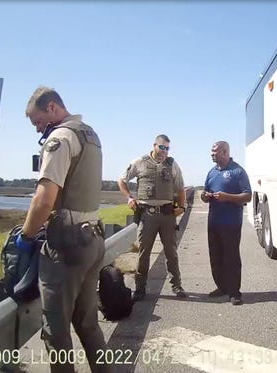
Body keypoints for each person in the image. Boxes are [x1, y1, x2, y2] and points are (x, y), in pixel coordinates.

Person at [16, 86, 113, 373]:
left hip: (67, 245)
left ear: (53, 108)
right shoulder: (89, 134)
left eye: (38, 121)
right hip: (93, 237)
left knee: (56, 331)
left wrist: (27, 235)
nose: (37, 129)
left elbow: (44, 199)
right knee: (88, 324)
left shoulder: (59, 138)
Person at [118, 135, 187, 301]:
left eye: (167, 148)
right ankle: (140, 289)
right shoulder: (140, 162)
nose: (164, 151)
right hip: (146, 215)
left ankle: (176, 285)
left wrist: (182, 207)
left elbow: (180, 188)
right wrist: (129, 197)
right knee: (144, 253)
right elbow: (122, 180)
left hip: (167, 215)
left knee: (171, 252)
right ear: (154, 145)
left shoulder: (172, 164)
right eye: (162, 147)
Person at [201, 141, 252, 306]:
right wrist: (204, 196)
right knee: (216, 257)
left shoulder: (237, 171)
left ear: (224, 152)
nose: (211, 154)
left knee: (231, 257)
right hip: (213, 222)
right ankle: (221, 287)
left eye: (214, 151)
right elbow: (205, 193)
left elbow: (247, 196)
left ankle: (234, 292)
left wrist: (227, 197)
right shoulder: (211, 172)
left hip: (231, 223)